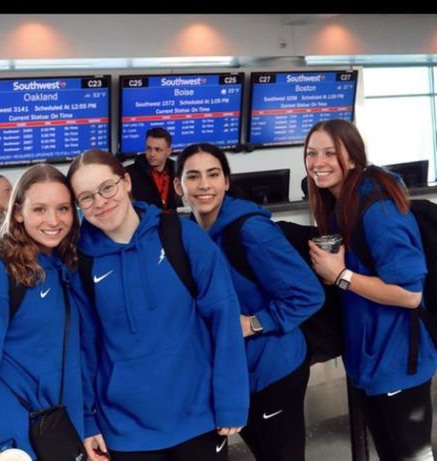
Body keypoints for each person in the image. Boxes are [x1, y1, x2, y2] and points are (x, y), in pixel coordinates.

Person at [67, 149, 249, 461]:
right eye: (86, 197)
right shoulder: (80, 263)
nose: (100, 202)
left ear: (125, 182)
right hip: (125, 430)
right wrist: (85, 419)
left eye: (106, 187)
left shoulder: (180, 235)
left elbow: (223, 316)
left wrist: (231, 399)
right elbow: (85, 349)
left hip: (198, 416)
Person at [174, 143, 325, 461]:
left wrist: (253, 323)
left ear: (226, 181)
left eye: (213, 175)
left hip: (274, 369)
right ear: (178, 186)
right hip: (236, 375)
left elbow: (308, 294)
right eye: (193, 176)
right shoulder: (186, 235)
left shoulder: (251, 230)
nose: (204, 185)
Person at [304, 119, 437, 461]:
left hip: (398, 362)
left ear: (353, 157)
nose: (318, 162)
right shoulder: (340, 204)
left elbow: (409, 294)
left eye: (330, 153)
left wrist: (342, 276)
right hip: (372, 361)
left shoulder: (376, 208)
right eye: (311, 153)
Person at [0, 165, 84, 461]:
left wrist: (87, 425)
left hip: (59, 427)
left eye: (63, 208)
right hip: (11, 436)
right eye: (40, 209)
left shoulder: (65, 267)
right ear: (19, 212)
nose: (53, 220)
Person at [126, 127, 183, 211]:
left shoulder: (178, 172)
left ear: (168, 151)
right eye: (149, 148)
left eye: (157, 149)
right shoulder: (130, 173)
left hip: (173, 221)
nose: (152, 154)